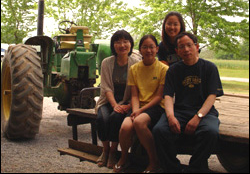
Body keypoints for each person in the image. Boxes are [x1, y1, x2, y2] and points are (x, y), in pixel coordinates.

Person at [153, 32, 224, 173]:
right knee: (159, 130)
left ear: (196, 47)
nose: (186, 49)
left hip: (205, 112)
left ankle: (195, 168)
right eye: (181, 47)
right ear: (177, 51)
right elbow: (167, 96)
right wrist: (170, 117)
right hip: (180, 111)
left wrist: (198, 117)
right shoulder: (173, 70)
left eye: (189, 45)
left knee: (210, 132)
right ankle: (172, 168)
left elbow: (212, 95)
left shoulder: (209, 68)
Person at [113, 35, 169, 173]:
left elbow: (158, 96)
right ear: (140, 50)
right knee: (125, 127)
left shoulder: (163, 69)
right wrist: (136, 110)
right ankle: (124, 158)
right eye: (145, 47)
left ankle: (153, 161)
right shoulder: (134, 69)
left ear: (157, 49)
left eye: (151, 47)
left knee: (139, 122)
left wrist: (140, 111)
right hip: (138, 106)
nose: (148, 50)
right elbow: (134, 95)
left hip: (155, 107)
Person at [95, 30, 140, 169]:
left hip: (127, 102)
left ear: (130, 44)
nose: (122, 45)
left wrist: (128, 105)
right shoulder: (106, 62)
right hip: (108, 101)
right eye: (118, 42)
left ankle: (113, 151)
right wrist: (114, 105)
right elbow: (106, 87)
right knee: (102, 118)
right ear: (113, 45)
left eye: (125, 41)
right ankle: (105, 150)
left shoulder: (136, 63)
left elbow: (137, 89)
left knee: (115, 118)